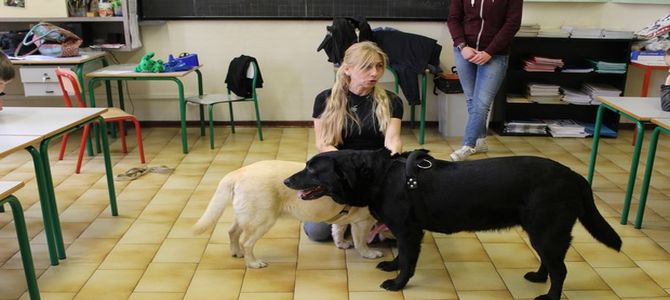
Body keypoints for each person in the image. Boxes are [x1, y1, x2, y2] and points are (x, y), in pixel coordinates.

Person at [303, 41, 403, 242]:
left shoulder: (392, 101)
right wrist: (349, 173)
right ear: (347, 69)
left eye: (379, 66)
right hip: (338, 170)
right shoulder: (324, 99)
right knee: (317, 233)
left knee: (390, 235)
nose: (375, 73)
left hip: (373, 172)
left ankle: (359, 220)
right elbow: (323, 144)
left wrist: (387, 164)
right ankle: (352, 218)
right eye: (367, 67)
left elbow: (393, 140)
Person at [447, 0, 522, 161]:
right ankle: (480, 141)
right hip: (465, 52)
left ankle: (468, 144)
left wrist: (490, 51)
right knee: (472, 100)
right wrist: (462, 46)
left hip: (495, 55)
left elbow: (512, 23)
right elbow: (453, 18)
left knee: (481, 103)